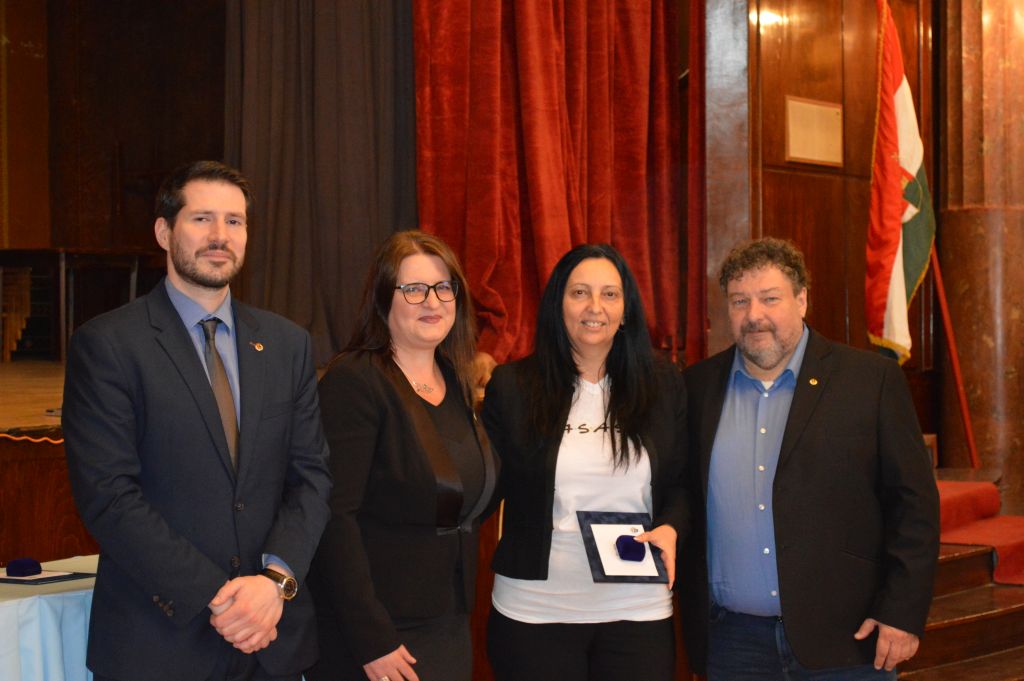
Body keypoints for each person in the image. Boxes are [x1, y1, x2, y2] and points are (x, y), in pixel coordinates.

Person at [62, 161, 333, 681]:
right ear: (164, 232)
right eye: (202, 218)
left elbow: (311, 478)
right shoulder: (108, 345)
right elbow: (108, 495)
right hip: (158, 644)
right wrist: (221, 599)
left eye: (235, 221)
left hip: (270, 640)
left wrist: (273, 583)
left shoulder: (287, 344)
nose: (219, 236)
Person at [679, 237, 940, 680]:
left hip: (848, 639)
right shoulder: (696, 388)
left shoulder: (869, 381)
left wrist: (902, 612)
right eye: (740, 301)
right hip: (734, 644)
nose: (754, 315)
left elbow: (914, 506)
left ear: (802, 300)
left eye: (770, 298)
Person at [481, 243, 688, 681]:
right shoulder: (514, 386)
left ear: (626, 310)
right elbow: (483, 484)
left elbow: (682, 482)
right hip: (536, 611)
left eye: (610, 294)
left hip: (638, 610)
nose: (595, 307)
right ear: (558, 305)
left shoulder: (663, 384)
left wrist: (672, 526)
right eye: (579, 293)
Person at [306, 230, 498, 681]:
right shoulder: (355, 381)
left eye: (444, 287)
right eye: (413, 289)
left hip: (449, 620)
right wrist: (371, 638)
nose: (432, 301)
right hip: (378, 635)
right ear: (382, 298)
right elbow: (334, 518)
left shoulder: (454, 379)